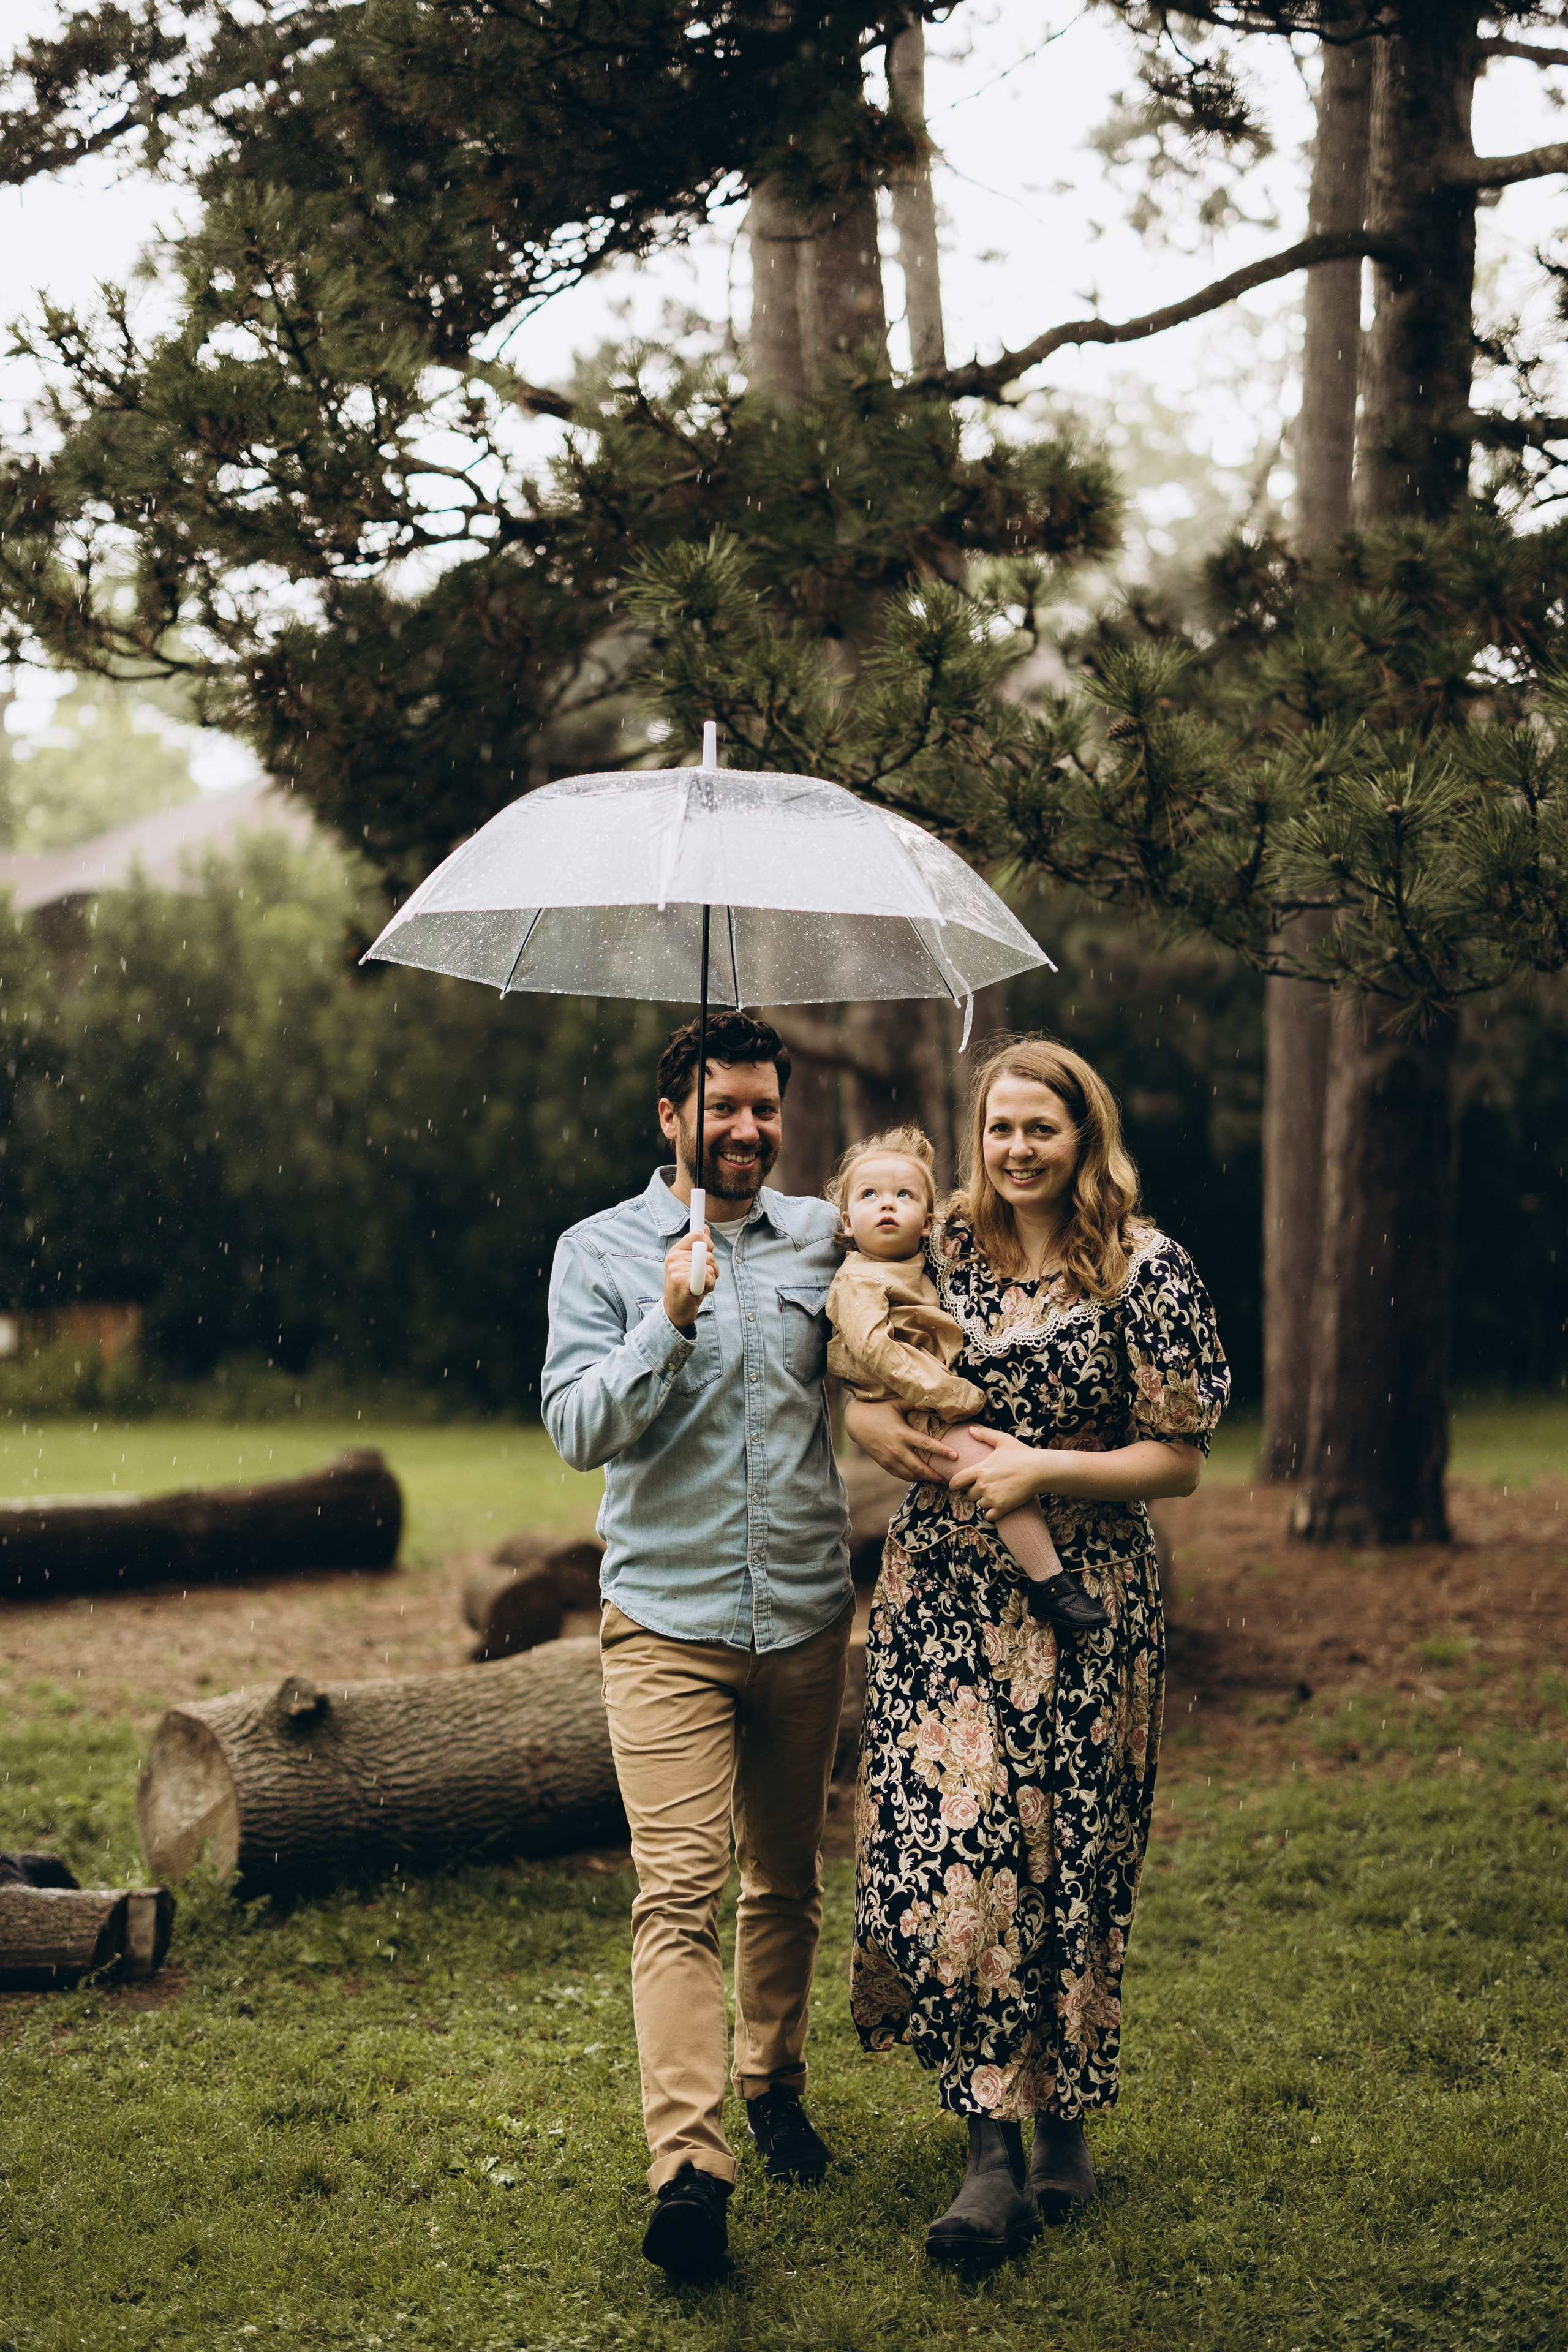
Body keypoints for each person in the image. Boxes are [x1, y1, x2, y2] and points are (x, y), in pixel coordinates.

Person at [845, 1037, 1229, 2261]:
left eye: (1040, 1130)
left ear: (1084, 1136)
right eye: (998, 1129)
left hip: (1087, 1603)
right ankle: (985, 2152)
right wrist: (862, 1413)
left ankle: (1061, 2116)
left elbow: (1175, 1453)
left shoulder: (1141, 1267)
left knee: (1070, 1858)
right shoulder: (933, 1249)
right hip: (942, 1601)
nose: (1015, 1151)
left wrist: (1039, 1465)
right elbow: (852, 1338)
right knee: (961, 1863)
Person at [540, 1009, 853, 2284]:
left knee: (785, 1880)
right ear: (668, 1117)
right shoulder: (598, 1251)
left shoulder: (823, 1242)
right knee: (677, 1890)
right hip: (664, 1624)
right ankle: (687, 2167)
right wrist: (664, 1323)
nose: (745, 1129)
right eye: (721, 1107)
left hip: (804, 1616)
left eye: (763, 1108)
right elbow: (572, 1428)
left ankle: (771, 2085)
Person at [823, 1125, 1107, 1632]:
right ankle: (1050, 1582)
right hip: (915, 1404)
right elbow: (878, 1350)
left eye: (903, 1196)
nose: (886, 1205)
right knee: (992, 1468)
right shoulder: (858, 1279)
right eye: (869, 1196)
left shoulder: (927, 1258)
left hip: (924, 1397)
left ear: (928, 1221)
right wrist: (954, 1395)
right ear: (847, 1218)